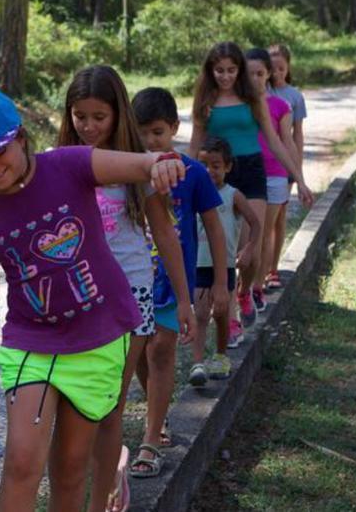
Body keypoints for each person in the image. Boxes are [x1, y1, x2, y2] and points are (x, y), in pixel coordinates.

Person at [0, 88, 187, 512]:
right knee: (22, 461)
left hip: (98, 341)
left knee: (71, 471)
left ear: (20, 137)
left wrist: (160, 162)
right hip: (30, 345)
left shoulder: (68, 165)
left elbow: (138, 163)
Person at [55, 67, 194, 512]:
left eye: (100, 116)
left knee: (110, 400)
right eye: (80, 116)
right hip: (79, 296)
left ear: (118, 115)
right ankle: (92, 480)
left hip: (131, 295)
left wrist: (186, 299)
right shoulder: (62, 162)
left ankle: (107, 489)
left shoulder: (138, 166)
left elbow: (165, 235)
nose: (90, 126)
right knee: (81, 403)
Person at [130, 87, 226, 461]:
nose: (149, 141)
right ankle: (157, 412)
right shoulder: (128, 172)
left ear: (174, 127)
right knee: (139, 352)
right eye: (142, 133)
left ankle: (150, 440)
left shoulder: (193, 173)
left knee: (160, 349)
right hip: (136, 282)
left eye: (157, 132)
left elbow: (215, 229)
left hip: (173, 283)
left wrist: (219, 281)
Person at [187, 42, 313, 326]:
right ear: (210, 71)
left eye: (231, 70)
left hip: (252, 170)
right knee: (229, 248)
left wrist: (300, 179)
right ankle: (230, 318)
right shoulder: (205, 101)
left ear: (239, 70)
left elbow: (275, 141)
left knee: (251, 249)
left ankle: (245, 291)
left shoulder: (252, 97)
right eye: (219, 70)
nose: (225, 76)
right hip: (218, 176)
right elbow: (195, 146)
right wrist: (182, 182)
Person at [193, 136, 261, 382]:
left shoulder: (233, 195)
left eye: (216, 166)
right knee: (200, 313)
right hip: (199, 264)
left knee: (221, 314)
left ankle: (220, 355)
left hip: (224, 265)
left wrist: (249, 249)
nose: (209, 171)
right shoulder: (194, 194)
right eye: (203, 165)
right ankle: (197, 363)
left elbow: (255, 223)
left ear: (228, 167)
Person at [246, 47, 298, 312]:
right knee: (245, 235)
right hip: (244, 174)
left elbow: (286, 142)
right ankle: (242, 287)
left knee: (264, 233)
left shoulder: (281, 105)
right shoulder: (238, 104)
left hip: (275, 176)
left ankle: (257, 286)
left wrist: (297, 176)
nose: (255, 79)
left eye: (260, 74)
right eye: (250, 74)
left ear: (268, 75)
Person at [264, 43, 308, 292]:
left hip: (285, 163)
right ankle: (258, 266)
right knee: (262, 219)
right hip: (263, 163)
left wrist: (297, 166)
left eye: (281, 68)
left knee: (280, 217)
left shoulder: (294, 96)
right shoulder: (259, 92)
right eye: (273, 68)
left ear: (288, 68)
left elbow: (297, 134)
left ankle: (273, 269)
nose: (277, 72)